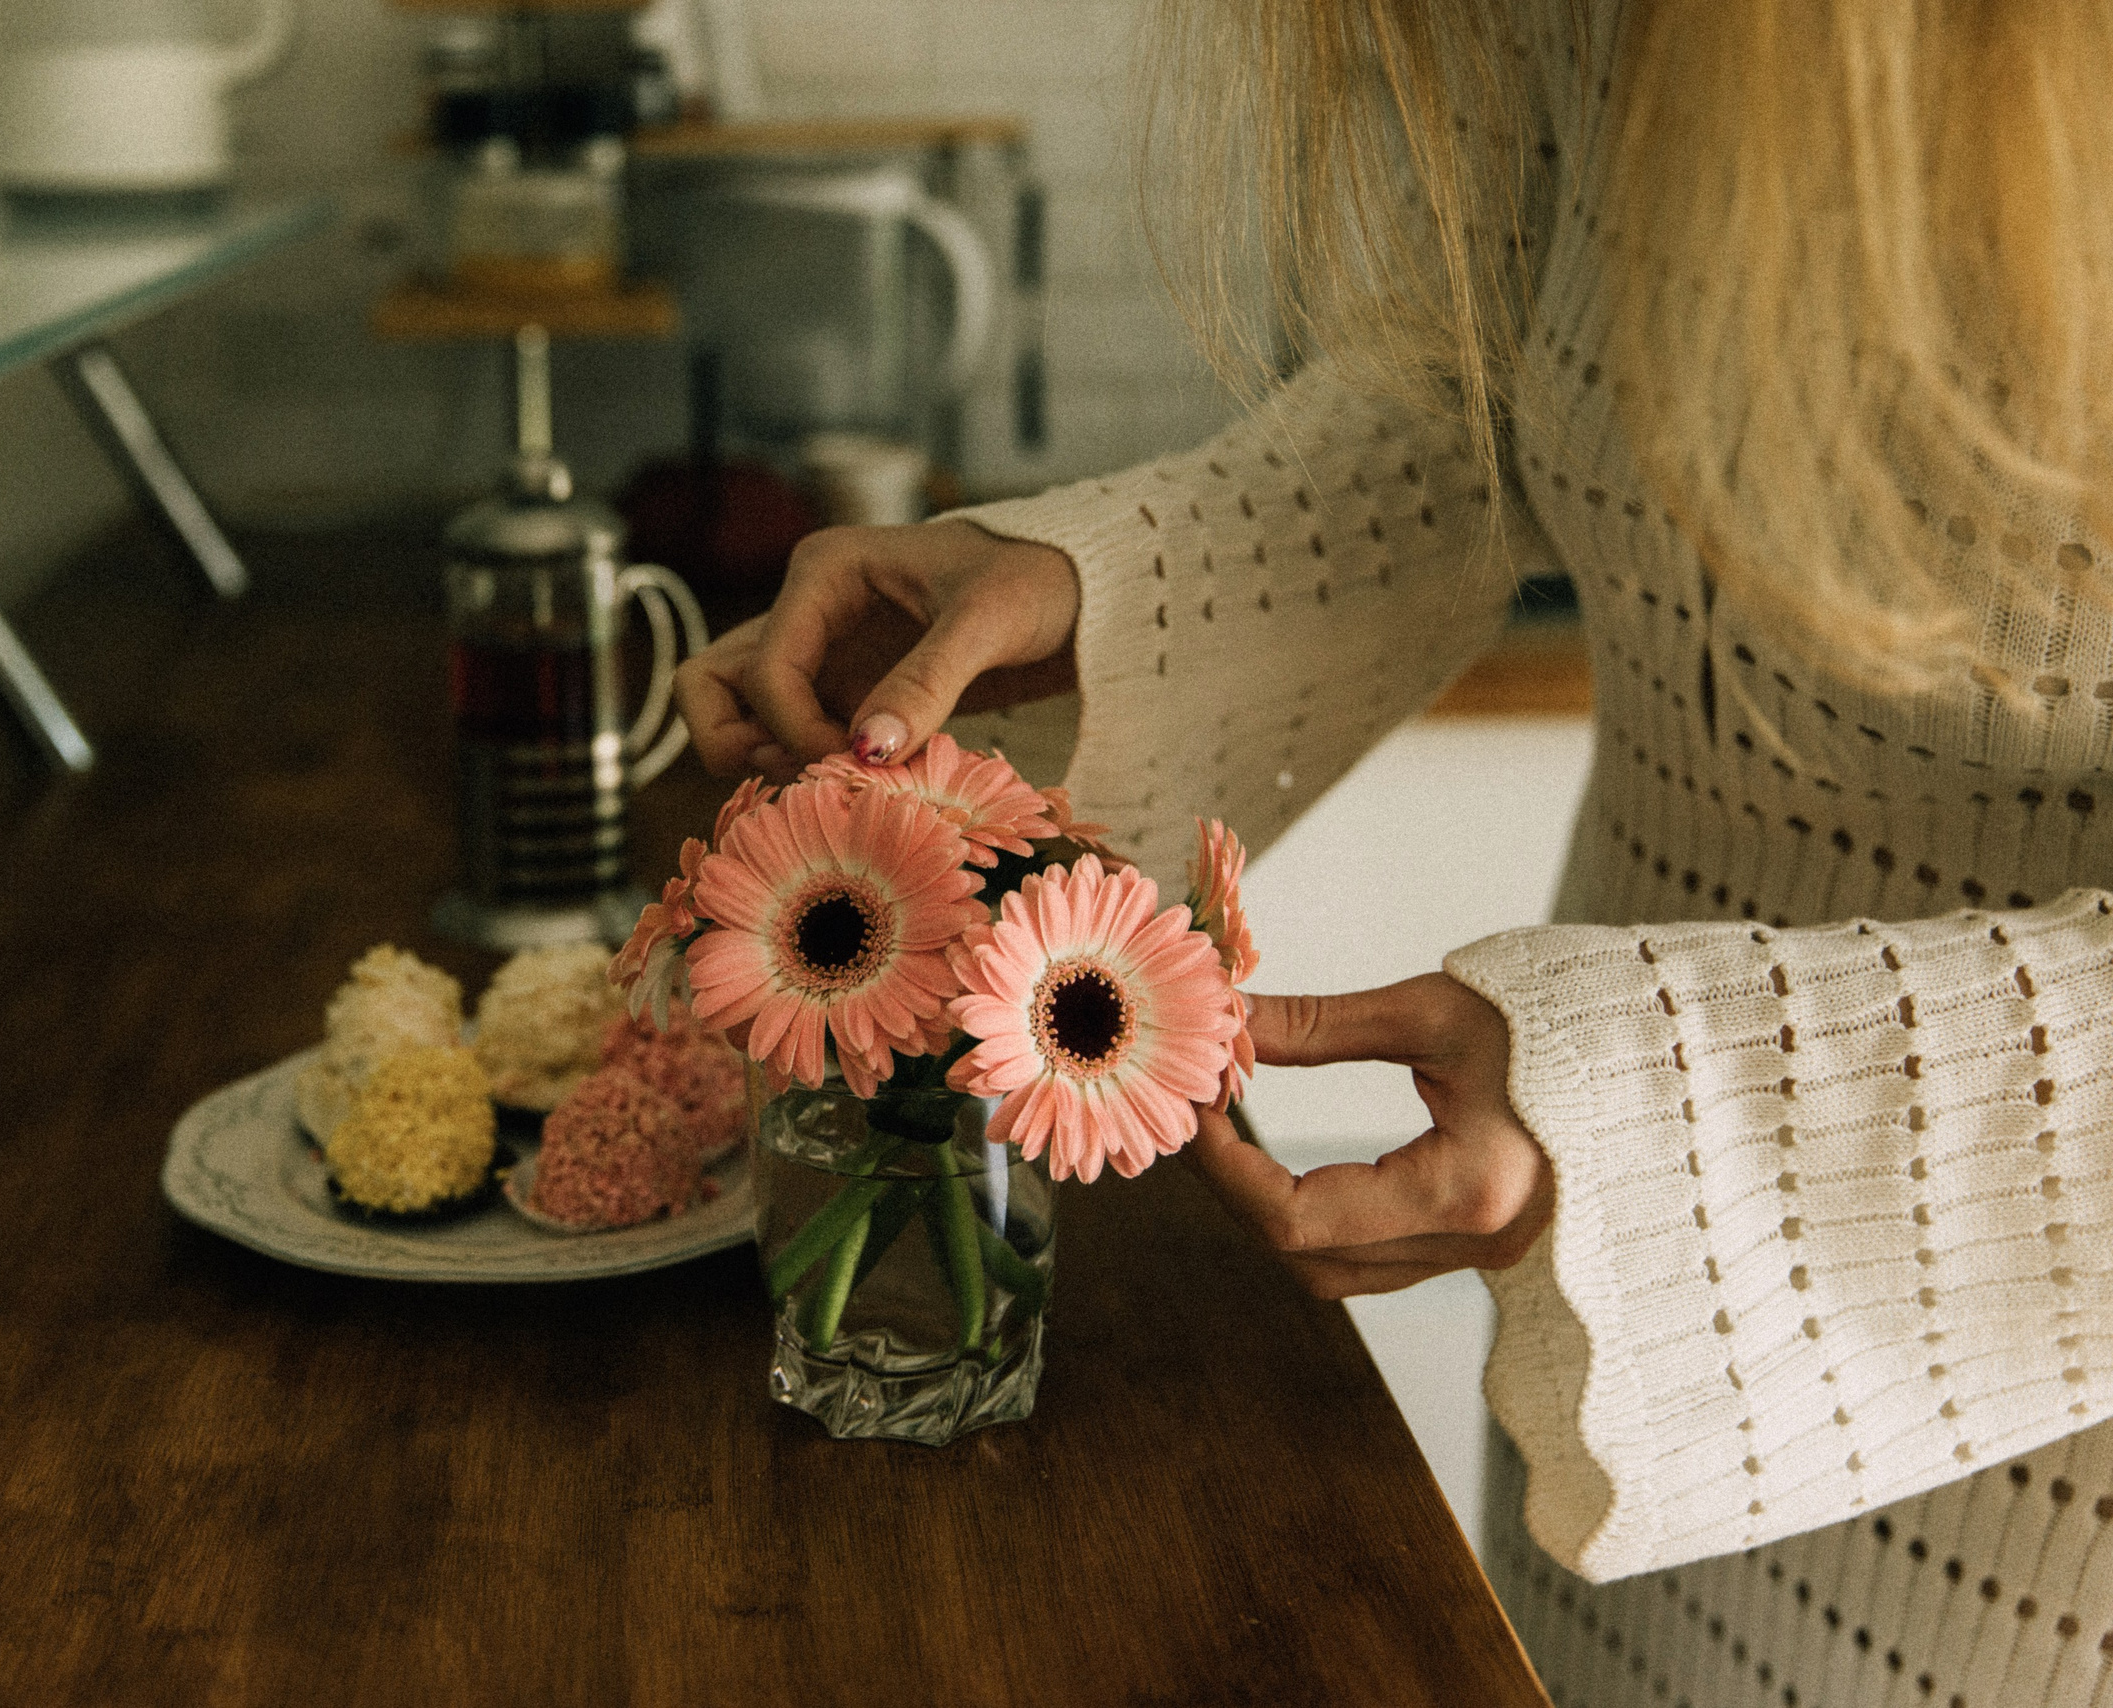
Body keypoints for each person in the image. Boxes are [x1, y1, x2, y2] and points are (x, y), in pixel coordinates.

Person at [675, 2, 2113, 1704]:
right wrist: (1105, 580)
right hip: (1613, 1381)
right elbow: (1493, 380)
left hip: (2030, 1489)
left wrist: (1678, 1109)